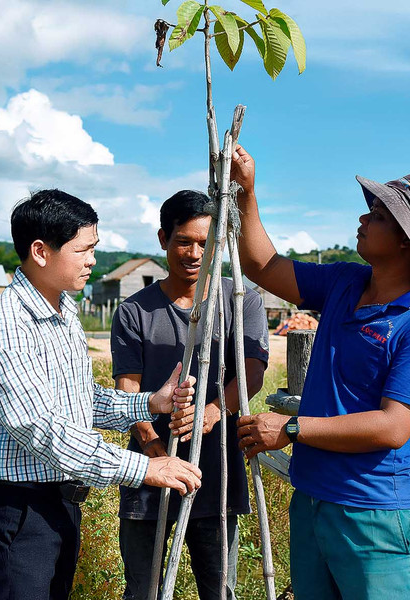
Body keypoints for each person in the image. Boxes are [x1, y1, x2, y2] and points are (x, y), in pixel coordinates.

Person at [231, 147, 410, 600]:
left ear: (405, 241)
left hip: (374, 514)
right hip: (314, 498)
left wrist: (292, 427)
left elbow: (394, 427)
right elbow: (263, 266)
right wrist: (247, 192)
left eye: (377, 215)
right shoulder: (345, 282)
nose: (363, 218)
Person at [0, 189, 203, 600]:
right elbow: (43, 429)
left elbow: (78, 398)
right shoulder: (7, 327)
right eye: (83, 250)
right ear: (41, 252)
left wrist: (148, 402)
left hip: (58, 504)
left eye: (94, 248)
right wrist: (144, 468)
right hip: (20, 510)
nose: (92, 260)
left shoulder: (61, 311)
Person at [111, 190, 270, 600]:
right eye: (184, 241)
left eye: (207, 243)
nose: (195, 252)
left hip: (216, 471)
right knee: (143, 591)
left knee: (219, 590)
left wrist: (215, 411)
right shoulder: (134, 311)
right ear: (164, 238)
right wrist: (155, 451)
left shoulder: (241, 300)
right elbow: (128, 388)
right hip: (148, 474)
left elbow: (252, 371)